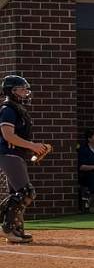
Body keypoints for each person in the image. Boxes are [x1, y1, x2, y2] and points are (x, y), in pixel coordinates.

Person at [0, 74, 50, 243]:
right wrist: (32, 146)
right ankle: (7, 228)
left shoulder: (17, 108)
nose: (26, 92)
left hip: (16, 155)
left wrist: (35, 148)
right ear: (12, 91)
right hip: (9, 154)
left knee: (16, 193)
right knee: (25, 192)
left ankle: (16, 229)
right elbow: (8, 136)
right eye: (22, 89)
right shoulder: (8, 109)